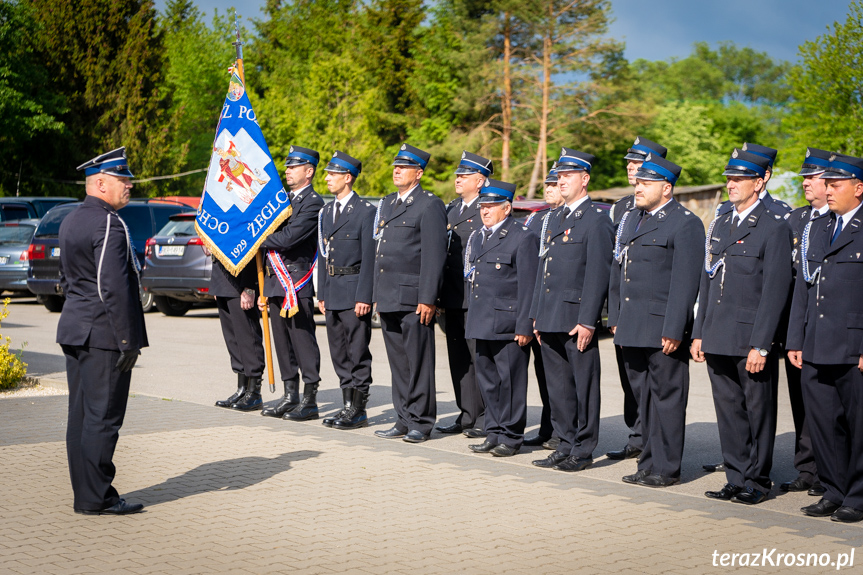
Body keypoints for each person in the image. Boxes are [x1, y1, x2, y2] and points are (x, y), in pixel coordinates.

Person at [692, 148, 793, 505]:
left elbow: (774, 292)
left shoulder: (773, 227)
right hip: (717, 334)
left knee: (758, 411)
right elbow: (707, 282)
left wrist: (762, 345)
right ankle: (735, 476)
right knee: (728, 411)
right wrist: (699, 331)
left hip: (750, 338)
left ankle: (757, 481)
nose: (731, 184)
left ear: (760, 180)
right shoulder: (720, 223)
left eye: (739, 179)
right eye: (729, 178)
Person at [59, 147, 147, 515]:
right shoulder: (109, 223)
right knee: (103, 418)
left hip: (76, 329)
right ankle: (97, 497)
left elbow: (66, 280)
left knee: (80, 416)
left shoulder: (71, 219)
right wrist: (127, 340)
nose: (129, 187)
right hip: (104, 335)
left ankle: (86, 494)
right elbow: (111, 286)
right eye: (122, 181)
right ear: (99, 183)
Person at [607, 154, 703, 487]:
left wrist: (675, 328)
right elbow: (619, 271)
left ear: (666, 187)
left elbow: (685, 281)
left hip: (663, 329)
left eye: (646, 183)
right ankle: (647, 463)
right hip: (632, 326)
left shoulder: (685, 222)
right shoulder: (633, 219)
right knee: (644, 401)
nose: (638, 187)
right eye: (638, 182)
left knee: (667, 400)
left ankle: (667, 468)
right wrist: (616, 315)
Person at [788, 153, 863, 523]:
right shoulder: (818, 227)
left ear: (858, 188)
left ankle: (859, 495)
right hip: (815, 343)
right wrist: (795, 339)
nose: (828, 191)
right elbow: (804, 286)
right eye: (827, 184)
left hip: (852, 346)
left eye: (836, 185)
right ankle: (834, 490)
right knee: (823, 422)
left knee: (858, 425)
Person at [530, 147, 614, 472]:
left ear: (585, 179)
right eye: (559, 175)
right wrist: (537, 313)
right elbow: (544, 269)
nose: (561, 180)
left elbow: (597, 274)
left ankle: (583, 448)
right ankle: (563, 444)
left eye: (568, 175)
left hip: (576, 319)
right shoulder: (555, 218)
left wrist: (588, 320)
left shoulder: (596, 221)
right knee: (558, 387)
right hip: (550, 316)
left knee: (583, 387)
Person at [373, 144, 447, 443]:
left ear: (419, 173)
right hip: (389, 295)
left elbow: (434, 256)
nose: (397, 171)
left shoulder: (429, 205)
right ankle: (402, 418)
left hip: (414, 297)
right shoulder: (388, 202)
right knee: (398, 363)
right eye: (395, 166)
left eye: (403, 167)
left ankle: (421, 421)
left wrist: (428, 298)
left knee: (418, 362)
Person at [462, 179, 539, 457]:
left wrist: (524, 325)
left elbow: (529, 286)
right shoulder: (479, 236)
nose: (485, 210)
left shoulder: (522, 236)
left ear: (506, 208)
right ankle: (493, 432)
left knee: (511, 384)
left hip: (508, 326)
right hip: (482, 322)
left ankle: (511, 435)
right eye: (483, 205)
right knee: (489, 382)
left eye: (491, 206)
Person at [607, 136, 668, 462]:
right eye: (630, 163)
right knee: (629, 378)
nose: (632, 168)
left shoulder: (668, 212)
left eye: (639, 163)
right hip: (626, 310)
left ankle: (651, 439)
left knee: (653, 384)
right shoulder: (620, 208)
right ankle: (637, 434)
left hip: (652, 313)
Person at [256, 146, 324, 418]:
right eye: (287, 166)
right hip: (274, 281)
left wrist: (256, 239)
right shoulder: (282, 200)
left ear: (309, 172)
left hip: (295, 280)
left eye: (294, 167)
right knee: (282, 341)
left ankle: (309, 399)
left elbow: (289, 238)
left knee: (302, 339)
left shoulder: (313, 203)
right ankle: (289, 394)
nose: (287, 171)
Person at [780, 148, 831, 496]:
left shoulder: (839, 221)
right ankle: (807, 469)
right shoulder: (795, 220)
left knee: (829, 407)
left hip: (829, 325)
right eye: (804, 178)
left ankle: (832, 473)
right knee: (801, 401)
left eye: (812, 178)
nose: (806, 184)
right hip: (796, 325)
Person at [316, 151, 376, 429]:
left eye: (332, 174)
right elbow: (324, 255)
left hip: (354, 292)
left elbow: (369, 257)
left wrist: (365, 296)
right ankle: (346, 406)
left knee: (357, 350)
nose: (327, 178)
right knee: (339, 351)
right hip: (333, 290)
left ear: (348, 178)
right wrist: (322, 294)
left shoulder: (365, 211)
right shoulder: (326, 211)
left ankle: (359, 409)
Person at [436, 151, 491, 436]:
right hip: (451, 298)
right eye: (458, 174)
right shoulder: (450, 209)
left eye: (464, 175)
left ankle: (485, 417)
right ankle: (467, 414)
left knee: (479, 358)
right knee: (459, 360)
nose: (458, 179)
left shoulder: (486, 209)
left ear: (480, 181)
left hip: (474, 298)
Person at [523, 166, 562, 448]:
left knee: (561, 378)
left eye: (554, 184)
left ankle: (563, 431)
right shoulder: (536, 221)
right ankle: (548, 427)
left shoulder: (574, 219)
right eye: (546, 185)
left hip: (560, 307)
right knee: (543, 373)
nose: (549, 189)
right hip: (538, 306)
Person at [211, 258, 266, 410]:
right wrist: (217, 283)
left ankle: (254, 392)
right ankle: (242, 389)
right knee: (232, 339)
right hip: (222, 279)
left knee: (248, 337)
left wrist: (249, 287)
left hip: (241, 281)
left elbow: (250, 248)